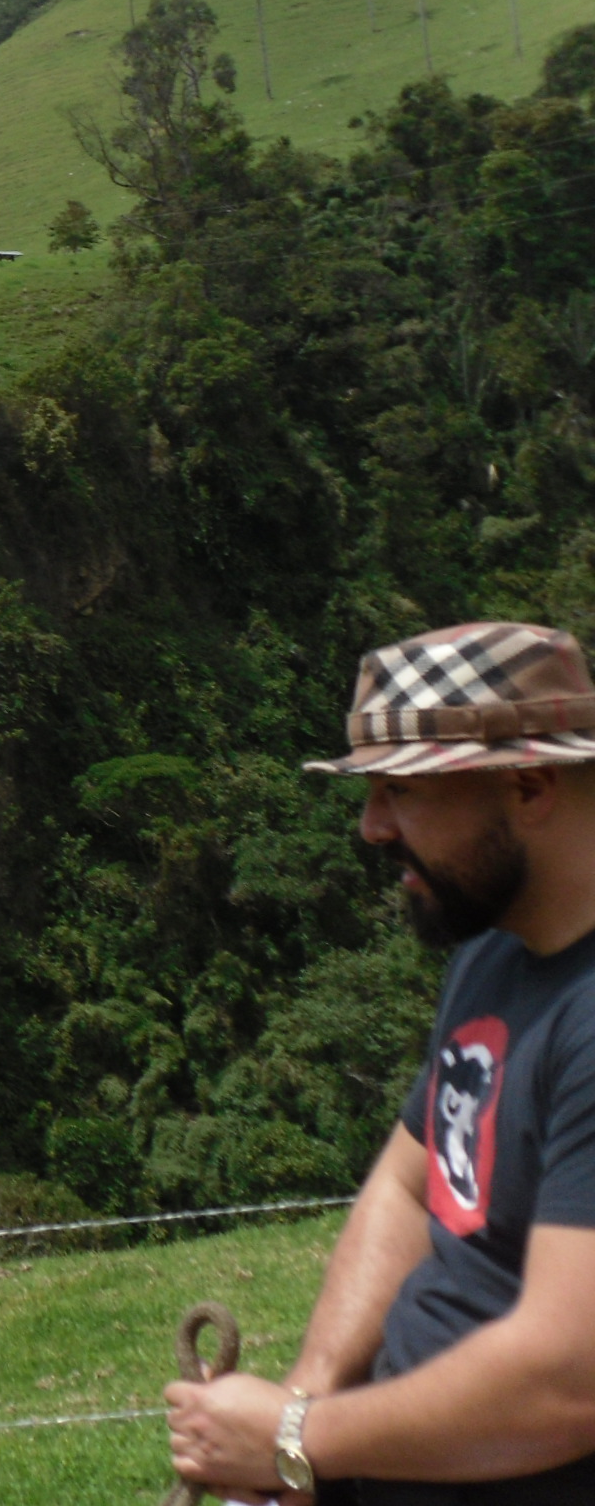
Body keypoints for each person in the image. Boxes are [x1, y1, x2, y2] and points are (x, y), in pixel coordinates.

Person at [168, 622, 595, 1504]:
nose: (369, 828)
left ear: (528, 783)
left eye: (400, 790)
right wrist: (303, 1402)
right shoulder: (494, 952)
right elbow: (411, 1186)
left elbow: (568, 1381)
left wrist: (295, 1439)